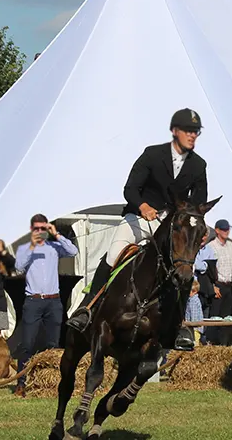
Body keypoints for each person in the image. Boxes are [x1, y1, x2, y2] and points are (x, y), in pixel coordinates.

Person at [66, 108, 208, 334]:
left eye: (196, 132)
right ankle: (88, 308)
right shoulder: (152, 155)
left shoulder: (199, 165)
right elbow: (130, 188)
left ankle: (179, 326)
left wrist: (199, 232)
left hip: (170, 227)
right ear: (175, 131)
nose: (193, 136)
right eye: (188, 131)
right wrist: (143, 206)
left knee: (184, 268)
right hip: (139, 219)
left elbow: (199, 205)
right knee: (113, 255)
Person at [13, 214, 78, 397]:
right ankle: (21, 383)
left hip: (53, 300)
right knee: (27, 344)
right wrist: (33, 245)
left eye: (44, 228)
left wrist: (56, 234)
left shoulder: (54, 247)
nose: (40, 232)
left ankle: (52, 383)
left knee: (53, 344)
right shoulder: (25, 248)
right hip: (33, 300)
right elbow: (18, 266)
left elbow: (73, 252)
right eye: (37, 229)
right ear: (32, 229)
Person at [205, 219, 232, 345]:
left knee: (226, 317)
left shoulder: (230, 246)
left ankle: (223, 344)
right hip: (218, 284)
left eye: (227, 229)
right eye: (223, 229)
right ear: (217, 230)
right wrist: (212, 286)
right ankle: (211, 342)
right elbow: (207, 269)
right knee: (215, 317)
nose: (226, 231)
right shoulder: (211, 246)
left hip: (229, 285)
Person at [185, 279, 204, 344]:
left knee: (194, 343)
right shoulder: (190, 300)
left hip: (195, 328)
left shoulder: (194, 301)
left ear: (195, 292)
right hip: (190, 327)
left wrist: (191, 325)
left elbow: (194, 315)